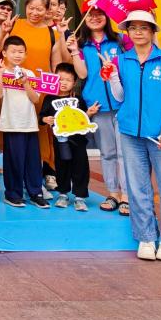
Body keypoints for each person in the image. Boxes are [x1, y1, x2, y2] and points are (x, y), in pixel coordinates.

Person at [106, 10, 161, 262]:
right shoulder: (121, 60)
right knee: (137, 188)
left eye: (144, 27)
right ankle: (146, 237)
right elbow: (120, 97)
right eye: (133, 28)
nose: (138, 32)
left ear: (153, 31)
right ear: (127, 33)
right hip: (130, 133)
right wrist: (112, 77)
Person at [0, 0, 64, 194]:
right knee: (13, 135)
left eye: (40, 9)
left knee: (38, 134)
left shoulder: (52, 33)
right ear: (25, 7)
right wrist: (4, 32)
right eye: (31, 8)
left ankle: (36, 179)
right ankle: (16, 183)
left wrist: (56, 90)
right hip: (10, 90)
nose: (34, 12)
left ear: (47, 10)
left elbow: (55, 64)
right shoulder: (15, 25)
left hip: (37, 92)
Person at [69, 4, 130, 216]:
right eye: (90, 15)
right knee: (108, 153)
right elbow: (82, 74)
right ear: (84, 19)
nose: (95, 18)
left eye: (99, 14)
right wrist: (74, 51)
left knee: (124, 153)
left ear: (106, 17)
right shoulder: (82, 44)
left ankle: (127, 196)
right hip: (98, 106)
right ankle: (113, 194)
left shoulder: (120, 41)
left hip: (122, 104)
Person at [0, 36, 48, 209]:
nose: (17, 55)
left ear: (25, 55)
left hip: (29, 124)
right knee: (14, 162)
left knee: (33, 162)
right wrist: (0, 75)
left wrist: (25, 83)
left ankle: (36, 193)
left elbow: (35, 99)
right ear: (4, 53)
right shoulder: (0, 73)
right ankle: (13, 194)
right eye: (13, 51)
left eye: (21, 52)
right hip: (11, 124)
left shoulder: (29, 74)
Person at [40, 63, 96, 211]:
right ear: (54, 79)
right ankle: (63, 194)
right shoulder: (49, 98)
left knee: (81, 167)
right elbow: (41, 117)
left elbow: (83, 117)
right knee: (61, 166)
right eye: (60, 79)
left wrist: (89, 113)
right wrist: (46, 119)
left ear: (74, 82)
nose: (63, 83)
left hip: (78, 141)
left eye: (68, 80)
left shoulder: (78, 99)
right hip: (60, 141)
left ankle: (80, 197)